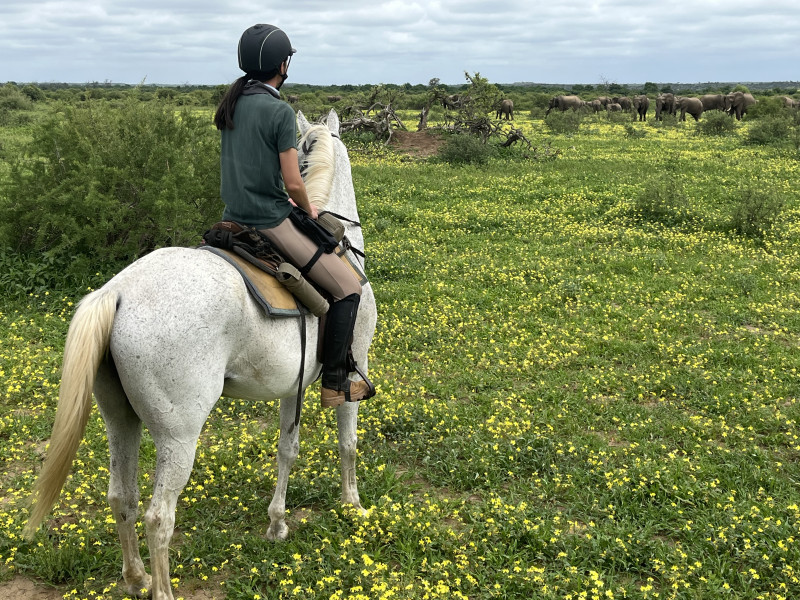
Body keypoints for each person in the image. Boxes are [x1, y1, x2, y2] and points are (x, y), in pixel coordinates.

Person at [213, 23, 373, 408]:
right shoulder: (279, 111)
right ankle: (335, 382)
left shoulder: (232, 104)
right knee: (349, 287)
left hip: (232, 218)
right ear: (282, 64)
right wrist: (308, 207)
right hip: (270, 221)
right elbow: (294, 182)